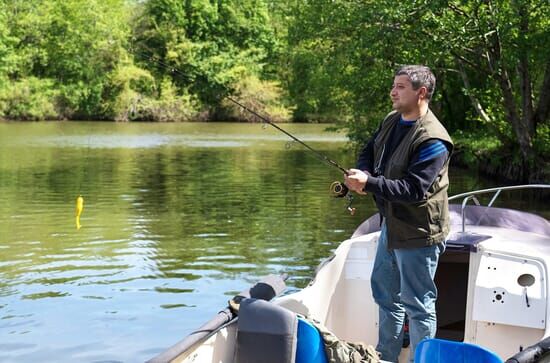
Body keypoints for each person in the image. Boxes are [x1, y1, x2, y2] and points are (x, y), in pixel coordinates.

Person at [344, 65, 453, 363]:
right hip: (391, 226)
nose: (393, 91)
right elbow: (370, 149)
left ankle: (422, 360)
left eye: (401, 87)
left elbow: (414, 189)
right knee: (385, 295)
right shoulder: (392, 119)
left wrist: (370, 184)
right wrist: (363, 172)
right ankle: (385, 358)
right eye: (394, 85)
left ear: (421, 93)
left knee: (418, 305)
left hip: (419, 234)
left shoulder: (434, 139)